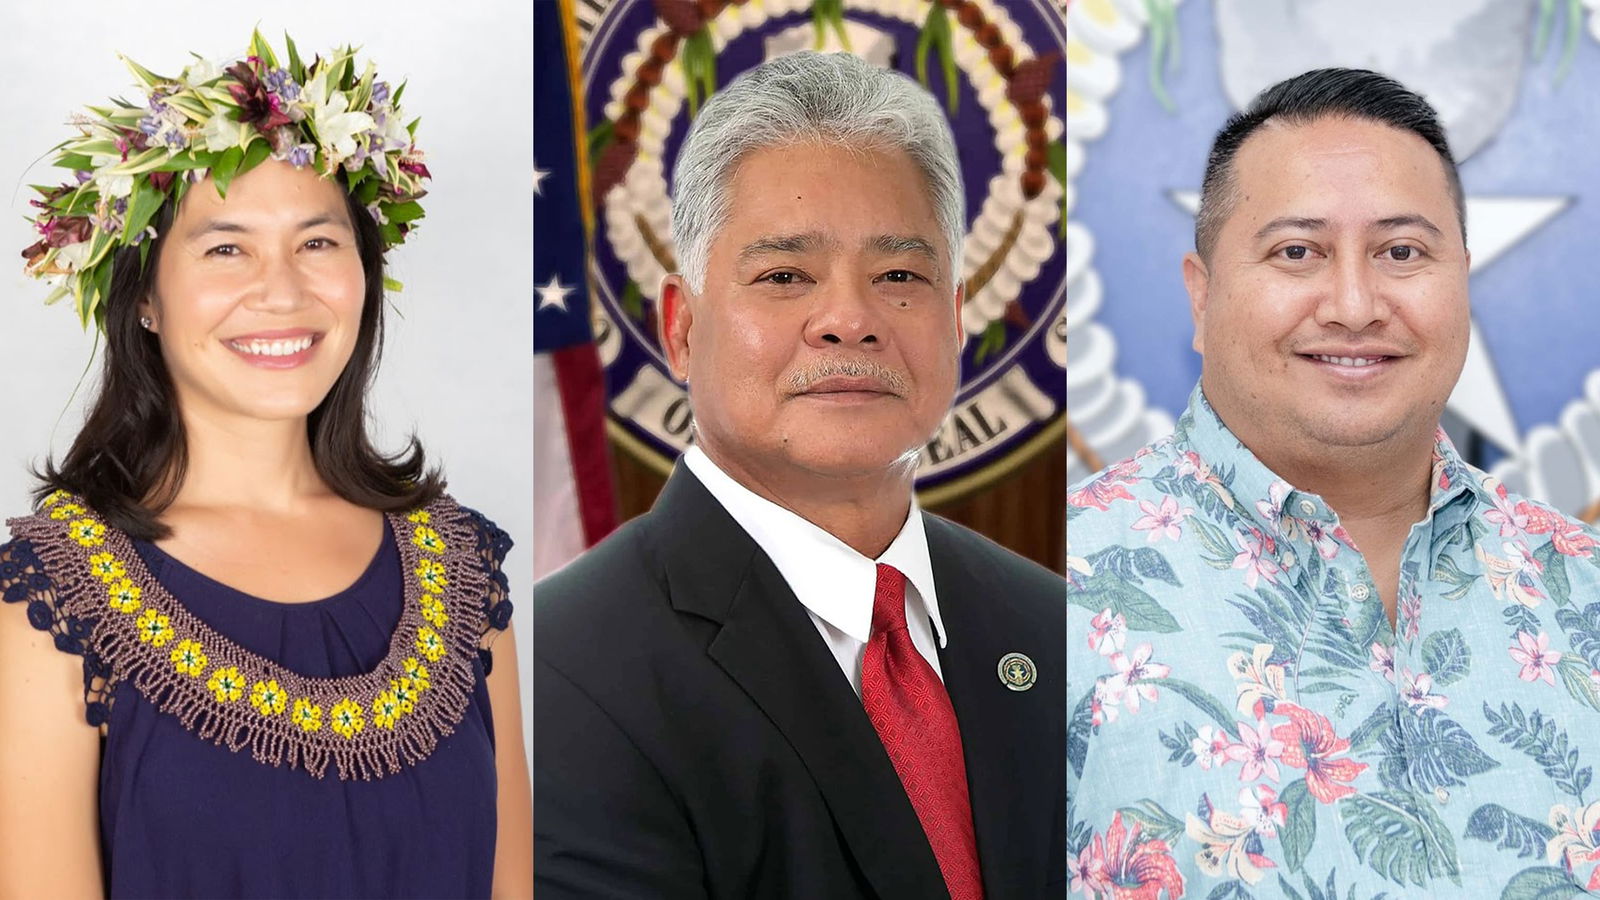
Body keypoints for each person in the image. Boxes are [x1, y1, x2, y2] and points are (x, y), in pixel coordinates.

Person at [0, 32, 532, 898]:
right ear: (142, 298)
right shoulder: (52, 597)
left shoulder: (464, 570)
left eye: (318, 243)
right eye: (225, 248)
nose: (282, 291)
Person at [534, 51, 1065, 899]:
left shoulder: (1056, 629)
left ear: (956, 320)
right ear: (681, 327)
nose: (850, 320)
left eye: (900, 275)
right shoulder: (562, 675)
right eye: (785, 276)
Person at [1066, 67, 1600, 898]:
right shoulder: (1040, 595)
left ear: (1464, 279)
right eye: (1297, 252)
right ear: (1200, 298)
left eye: (1401, 252)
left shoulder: (1585, 592)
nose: (1354, 304)